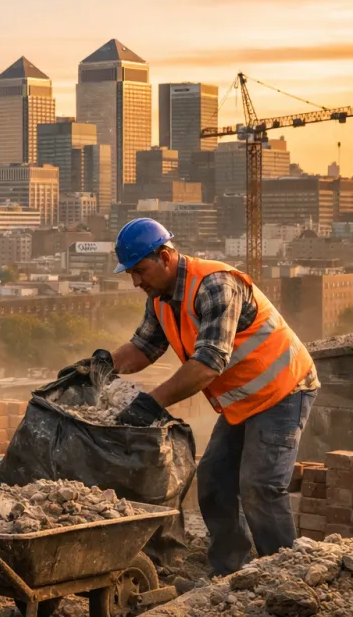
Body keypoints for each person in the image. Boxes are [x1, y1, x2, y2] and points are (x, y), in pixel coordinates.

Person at [98, 217, 319, 576]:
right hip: (243, 400)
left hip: (283, 389)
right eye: (130, 274)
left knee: (260, 487)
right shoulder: (161, 298)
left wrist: (151, 403)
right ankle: (230, 573)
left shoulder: (214, 285)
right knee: (215, 481)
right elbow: (143, 347)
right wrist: (100, 367)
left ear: (165, 256)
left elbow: (207, 365)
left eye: (139, 270)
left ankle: (283, 576)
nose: (136, 281)